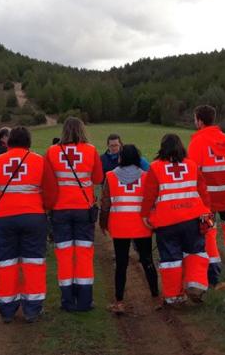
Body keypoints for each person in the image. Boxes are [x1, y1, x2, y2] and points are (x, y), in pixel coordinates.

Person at [0, 127, 55, 323]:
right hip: (34, 218)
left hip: (4, 218)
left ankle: (7, 309)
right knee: (33, 262)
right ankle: (32, 309)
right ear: (29, 142)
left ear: (8, 143)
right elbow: (52, 193)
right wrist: (43, 207)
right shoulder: (39, 161)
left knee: (6, 263)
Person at [140, 134, 211, 305]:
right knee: (195, 253)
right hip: (192, 219)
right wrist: (207, 211)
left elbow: (149, 195)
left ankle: (174, 296)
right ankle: (195, 286)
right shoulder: (192, 165)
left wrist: (144, 215)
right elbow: (203, 192)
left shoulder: (155, 167)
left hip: (166, 222)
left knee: (171, 259)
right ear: (181, 147)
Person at [44, 117, 104, 312]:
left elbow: (46, 180)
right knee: (84, 254)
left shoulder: (52, 152)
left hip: (60, 210)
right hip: (83, 209)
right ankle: (85, 301)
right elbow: (97, 178)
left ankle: (67, 301)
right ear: (82, 130)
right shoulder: (91, 150)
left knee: (64, 255)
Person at [188, 104, 225, 289]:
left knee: (209, 231)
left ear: (200, 120)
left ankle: (213, 272)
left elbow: (193, 173)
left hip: (206, 200)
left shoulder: (197, 142)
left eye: (195, 118)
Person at [99, 144, 159, 314]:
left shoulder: (110, 176)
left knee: (121, 264)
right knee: (147, 261)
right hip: (142, 226)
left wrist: (103, 223)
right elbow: (152, 202)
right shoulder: (147, 177)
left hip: (120, 227)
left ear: (121, 158)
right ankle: (156, 297)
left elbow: (105, 204)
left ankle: (119, 302)